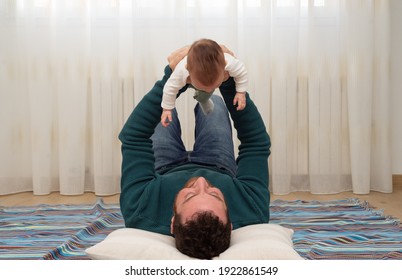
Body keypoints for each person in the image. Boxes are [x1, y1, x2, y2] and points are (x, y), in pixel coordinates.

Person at [118, 46, 271, 259]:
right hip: (218, 164)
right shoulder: (252, 210)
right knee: (215, 103)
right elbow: (256, 143)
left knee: (162, 118)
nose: (200, 181)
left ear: (172, 222)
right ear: (231, 221)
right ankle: (207, 93)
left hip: (163, 168)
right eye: (215, 194)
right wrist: (225, 80)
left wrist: (174, 75)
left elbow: (134, 138)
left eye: (189, 195)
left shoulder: (140, 212)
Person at [160, 39, 248, 127]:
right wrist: (167, 109)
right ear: (188, 71)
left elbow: (242, 73)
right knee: (200, 90)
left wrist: (241, 92)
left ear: (224, 68)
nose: (209, 89)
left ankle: (202, 98)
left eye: (216, 85)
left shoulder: (229, 62)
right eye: (204, 87)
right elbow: (170, 88)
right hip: (190, 81)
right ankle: (201, 92)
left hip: (199, 83)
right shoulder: (182, 70)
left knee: (205, 94)